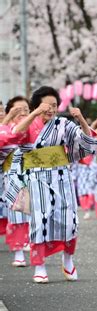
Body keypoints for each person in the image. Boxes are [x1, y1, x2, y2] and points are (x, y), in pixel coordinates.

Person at [6, 86, 97, 283]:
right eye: (46, 105)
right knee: (40, 220)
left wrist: (81, 119)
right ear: (36, 106)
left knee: (69, 219)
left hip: (62, 177)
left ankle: (68, 259)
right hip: (37, 178)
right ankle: (39, 265)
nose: (50, 109)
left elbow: (85, 142)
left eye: (54, 105)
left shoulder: (63, 124)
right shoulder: (29, 123)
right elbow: (15, 134)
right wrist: (34, 113)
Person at [1, 96, 30, 267]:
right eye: (18, 109)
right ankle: (18, 251)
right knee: (17, 213)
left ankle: (34, 247)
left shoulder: (36, 128)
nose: (23, 112)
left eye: (26, 108)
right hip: (13, 176)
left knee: (36, 213)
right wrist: (7, 120)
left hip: (35, 174)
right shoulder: (6, 129)